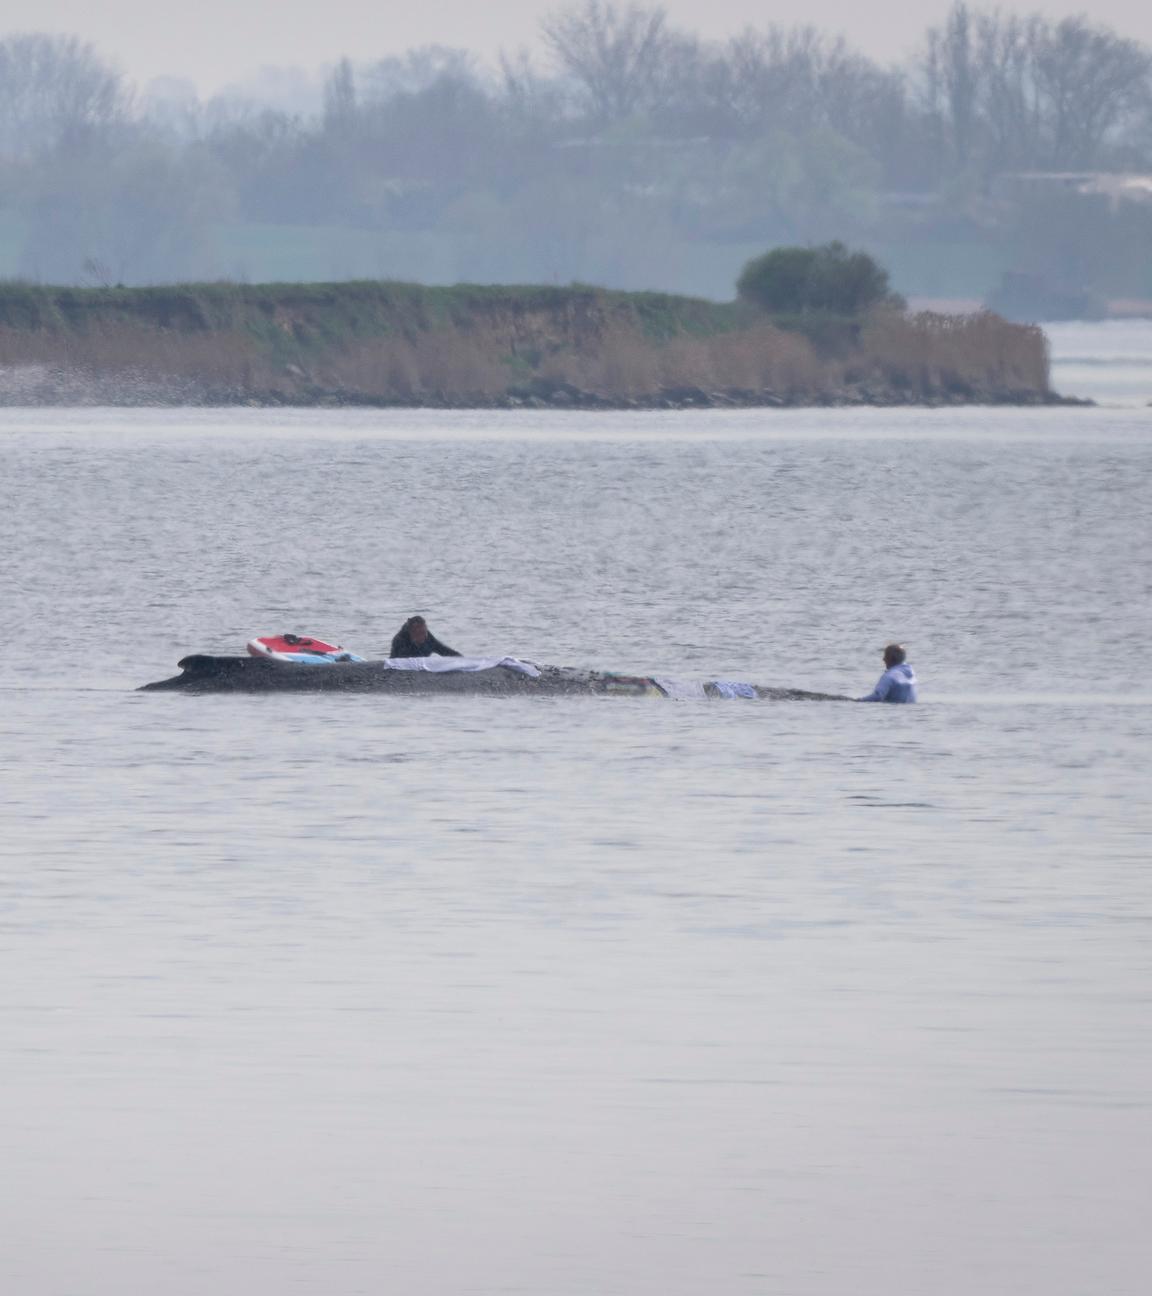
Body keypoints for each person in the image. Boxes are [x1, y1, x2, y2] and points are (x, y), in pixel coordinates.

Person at [389, 615, 461, 659]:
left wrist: (460, 658)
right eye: (418, 633)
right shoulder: (400, 640)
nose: (422, 636)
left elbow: (442, 649)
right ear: (411, 632)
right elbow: (401, 661)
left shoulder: (428, 637)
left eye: (424, 632)